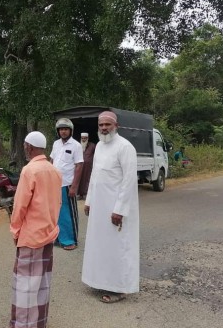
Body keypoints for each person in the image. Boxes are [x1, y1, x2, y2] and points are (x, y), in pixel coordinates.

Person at [81, 111, 139, 303]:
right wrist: (89, 201)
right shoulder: (99, 147)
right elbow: (95, 177)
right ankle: (101, 281)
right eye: (101, 125)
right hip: (99, 206)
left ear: (116, 126)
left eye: (108, 124)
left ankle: (120, 289)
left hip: (116, 209)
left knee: (117, 247)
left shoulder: (125, 147)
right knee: (100, 245)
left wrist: (120, 210)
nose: (104, 128)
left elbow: (129, 181)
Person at [9, 131, 62, 328]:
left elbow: (20, 205)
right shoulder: (54, 170)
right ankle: (39, 323)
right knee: (42, 283)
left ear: (29, 147)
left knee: (25, 286)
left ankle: (22, 324)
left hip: (30, 236)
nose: (24, 148)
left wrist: (15, 230)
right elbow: (58, 202)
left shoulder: (29, 170)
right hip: (48, 233)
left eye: (25, 145)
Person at [50, 118, 84, 250]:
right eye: (61, 129)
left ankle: (71, 240)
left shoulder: (76, 145)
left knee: (68, 213)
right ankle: (59, 238)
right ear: (58, 131)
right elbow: (52, 161)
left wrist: (74, 186)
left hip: (68, 184)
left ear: (70, 130)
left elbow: (79, 166)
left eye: (66, 129)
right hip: (55, 184)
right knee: (56, 212)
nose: (63, 132)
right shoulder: (56, 144)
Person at [77, 132, 96, 200]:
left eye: (85, 138)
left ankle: (86, 195)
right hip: (79, 166)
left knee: (87, 180)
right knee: (79, 179)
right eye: (82, 138)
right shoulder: (78, 145)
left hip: (89, 167)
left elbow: (96, 155)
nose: (84, 139)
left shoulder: (92, 145)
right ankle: (80, 194)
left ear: (87, 138)